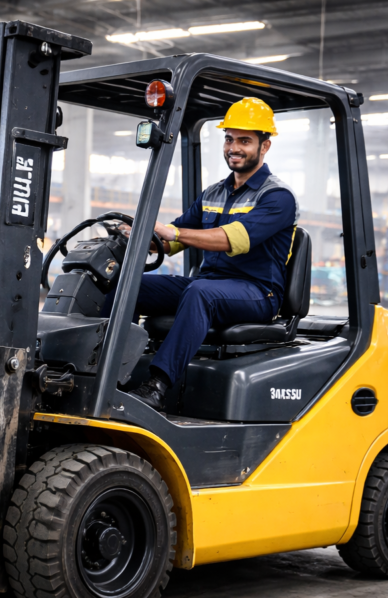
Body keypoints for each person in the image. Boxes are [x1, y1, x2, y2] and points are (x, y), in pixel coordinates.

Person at [118, 97, 300, 411]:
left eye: (244, 141)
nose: (234, 148)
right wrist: (138, 236)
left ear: (265, 146)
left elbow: (233, 239)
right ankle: (109, 371)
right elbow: (172, 241)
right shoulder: (213, 192)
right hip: (210, 283)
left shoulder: (277, 197)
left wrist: (173, 233)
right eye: (229, 139)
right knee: (127, 284)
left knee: (201, 293)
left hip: (258, 292)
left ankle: (156, 387)